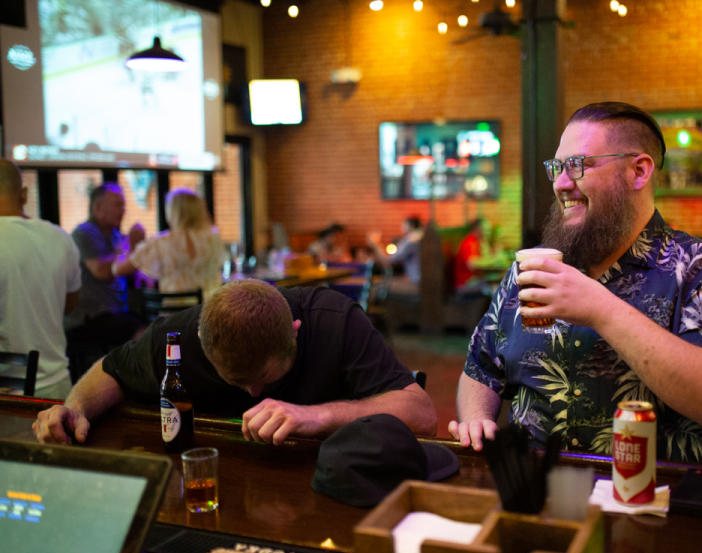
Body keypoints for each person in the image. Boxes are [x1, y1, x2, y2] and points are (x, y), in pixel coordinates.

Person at [449, 102, 702, 466]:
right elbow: (480, 368)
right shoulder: (534, 267)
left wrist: (602, 309)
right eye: (557, 167)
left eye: (578, 166)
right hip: (539, 497)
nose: (561, 184)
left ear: (639, 171)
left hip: (663, 504)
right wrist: (477, 419)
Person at [33, 279, 437, 445]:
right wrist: (74, 408)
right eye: (237, 381)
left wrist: (314, 417)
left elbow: (421, 413)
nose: (253, 394)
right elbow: (111, 369)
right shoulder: (177, 337)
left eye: (262, 379)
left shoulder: (334, 321)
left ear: (294, 330)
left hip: (330, 476)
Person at [0, 159, 81, 399]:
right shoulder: (60, 238)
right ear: (24, 194)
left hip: (5, 394)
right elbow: (69, 305)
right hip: (56, 386)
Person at [64, 183, 144, 349]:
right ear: (98, 208)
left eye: (123, 205)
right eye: (117, 205)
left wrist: (137, 251)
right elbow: (101, 271)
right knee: (142, 333)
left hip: (115, 314)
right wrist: (129, 246)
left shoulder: (115, 235)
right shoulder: (84, 233)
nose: (123, 210)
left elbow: (133, 280)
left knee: (155, 327)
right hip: (88, 318)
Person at [113, 188, 224, 303]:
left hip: (175, 316)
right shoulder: (215, 238)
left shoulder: (161, 242)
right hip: (210, 313)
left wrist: (129, 244)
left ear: (172, 212)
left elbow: (118, 270)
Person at [367, 216, 424, 295]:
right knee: (377, 284)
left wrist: (376, 244)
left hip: (416, 283)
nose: (401, 227)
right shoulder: (419, 238)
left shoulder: (412, 241)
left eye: (404, 224)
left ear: (410, 226)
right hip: (419, 281)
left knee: (374, 287)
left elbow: (388, 261)